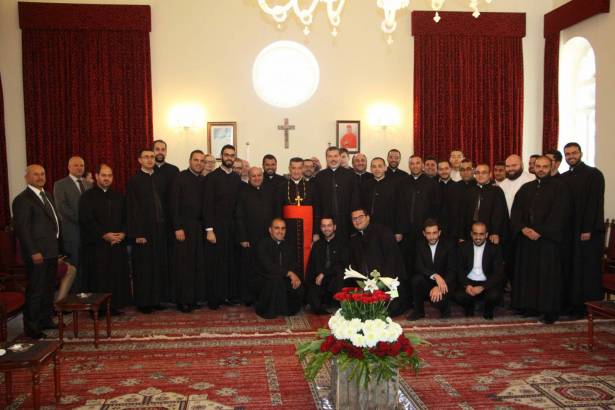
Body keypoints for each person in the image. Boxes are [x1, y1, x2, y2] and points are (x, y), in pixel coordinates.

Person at [511, 156, 569, 324]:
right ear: (534, 168)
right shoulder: (526, 188)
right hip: (526, 240)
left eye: (545, 166)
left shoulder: (560, 188)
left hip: (548, 242)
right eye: (538, 166)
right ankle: (529, 307)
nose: (541, 169)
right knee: (528, 274)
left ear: (551, 167)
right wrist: (523, 228)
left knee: (547, 277)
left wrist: (540, 231)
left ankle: (549, 311)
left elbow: (560, 215)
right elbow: (516, 211)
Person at [12, 164, 61, 339]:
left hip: (51, 251)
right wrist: (33, 251)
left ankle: (45, 319)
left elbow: (53, 222)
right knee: (36, 290)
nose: (40, 177)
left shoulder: (47, 195)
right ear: (27, 177)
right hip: (37, 253)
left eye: (42, 174)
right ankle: (32, 328)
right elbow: (23, 230)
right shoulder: (22, 199)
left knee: (49, 288)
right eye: (36, 174)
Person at [79, 164, 131, 314]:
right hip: (97, 246)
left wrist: (123, 233)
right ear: (97, 176)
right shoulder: (87, 197)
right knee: (99, 277)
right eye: (103, 175)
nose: (107, 178)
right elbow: (86, 220)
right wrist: (104, 235)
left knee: (116, 275)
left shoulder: (119, 196)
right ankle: (99, 309)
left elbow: (127, 218)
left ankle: (115, 305)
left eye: (109, 175)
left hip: (117, 244)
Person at [561, 142, 605, 317]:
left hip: (588, 232)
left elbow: (594, 204)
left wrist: (587, 229)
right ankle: (571, 304)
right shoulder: (564, 177)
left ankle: (588, 307)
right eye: (567, 154)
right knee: (571, 268)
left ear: (581, 153)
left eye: (574, 153)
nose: (571, 156)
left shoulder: (594, 174)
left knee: (586, 270)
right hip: (569, 232)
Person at [126, 149, 168, 314]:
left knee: (158, 265)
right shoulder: (134, 181)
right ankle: (143, 302)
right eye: (146, 157)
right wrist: (137, 234)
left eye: (152, 157)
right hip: (143, 231)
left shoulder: (160, 178)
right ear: (139, 160)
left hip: (160, 229)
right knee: (144, 267)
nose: (150, 160)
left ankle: (156, 300)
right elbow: (131, 208)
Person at [204, 144, 243, 309]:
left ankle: (228, 295)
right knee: (216, 264)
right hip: (216, 227)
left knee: (230, 262)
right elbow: (207, 205)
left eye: (232, 155)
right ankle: (214, 298)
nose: (229, 158)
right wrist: (209, 230)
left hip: (232, 227)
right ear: (221, 156)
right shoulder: (212, 177)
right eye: (226, 155)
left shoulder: (236, 178)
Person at [349, 209, 408, 317]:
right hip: (369, 285)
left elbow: (392, 259)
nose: (357, 220)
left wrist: (382, 283)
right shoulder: (354, 238)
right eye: (354, 219)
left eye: (360, 217)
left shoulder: (383, 232)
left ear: (368, 217)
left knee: (386, 310)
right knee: (361, 310)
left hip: (389, 281)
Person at [169, 150, 207, 313]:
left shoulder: (204, 180)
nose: (199, 163)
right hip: (184, 227)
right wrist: (177, 227)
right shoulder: (180, 177)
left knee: (197, 264)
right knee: (184, 265)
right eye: (196, 160)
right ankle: (183, 300)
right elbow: (173, 204)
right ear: (190, 161)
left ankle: (193, 299)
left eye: (202, 161)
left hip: (199, 228)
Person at [395, 155, 441, 276]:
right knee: (406, 261)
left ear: (422, 166)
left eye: (417, 163)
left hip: (424, 231)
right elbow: (398, 208)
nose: (415, 166)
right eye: (412, 163)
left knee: (423, 260)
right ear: (409, 166)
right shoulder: (402, 183)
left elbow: (436, 208)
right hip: (405, 231)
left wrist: (431, 230)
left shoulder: (432, 184)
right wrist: (398, 230)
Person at [236, 167, 276, 305]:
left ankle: (263, 295)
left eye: (259, 175)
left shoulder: (269, 191)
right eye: (253, 176)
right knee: (250, 268)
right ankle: (248, 297)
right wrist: (243, 237)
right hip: (250, 238)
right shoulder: (243, 193)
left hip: (267, 237)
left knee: (265, 267)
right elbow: (239, 217)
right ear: (249, 177)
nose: (257, 178)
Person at [53, 156, 91, 292]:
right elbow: (62, 208)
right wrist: (83, 221)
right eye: (76, 165)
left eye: (82, 165)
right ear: (69, 167)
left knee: (87, 266)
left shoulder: (89, 184)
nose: (79, 168)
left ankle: (86, 294)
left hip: (88, 234)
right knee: (74, 266)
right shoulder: (60, 184)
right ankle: (73, 297)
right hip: (72, 233)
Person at [253, 218, 303, 319]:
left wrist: (295, 276)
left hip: (284, 278)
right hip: (265, 279)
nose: (280, 231)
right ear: (270, 230)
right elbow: (268, 266)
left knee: (298, 286)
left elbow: (294, 265)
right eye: (277, 228)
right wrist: (289, 273)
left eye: (283, 228)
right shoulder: (263, 244)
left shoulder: (289, 245)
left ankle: (284, 307)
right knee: (276, 280)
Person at [454, 222, 505, 320]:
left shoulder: (495, 248)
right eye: (475, 234)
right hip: (469, 282)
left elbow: (498, 273)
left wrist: (483, 287)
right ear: (471, 234)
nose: (478, 237)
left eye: (481, 234)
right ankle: (469, 306)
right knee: (457, 295)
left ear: (486, 235)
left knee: (495, 295)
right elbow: (459, 269)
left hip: (486, 283)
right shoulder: (463, 247)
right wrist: (467, 285)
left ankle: (488, 308)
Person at [409, 219, 457, 321]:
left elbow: (452, 270)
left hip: (445, 283)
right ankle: (418, 311)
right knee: (416, 279)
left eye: (434, 233)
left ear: (439, 232)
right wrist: (435, 276)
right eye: (428, 233)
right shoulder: (419, 244)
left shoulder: (449, 245)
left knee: (438, 301)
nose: (432, 236)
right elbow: (418, 266)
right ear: (424, 233)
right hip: (429, 280)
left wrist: (439, 286)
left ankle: (445, 309)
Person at [312, 146, 360, 240]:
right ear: (326, 158)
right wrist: (316, 231)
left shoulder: (350, 175)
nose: (333, 159)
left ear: (340, 157)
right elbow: (317, 204)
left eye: (335, 156)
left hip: (347, 223)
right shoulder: (320, 176)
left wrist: (355, 227)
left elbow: (355, 201)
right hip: (326, 224)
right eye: (330, 156)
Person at [275, 157, 314, 275]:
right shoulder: (281, 187)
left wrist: (316, 232)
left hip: (307, 231)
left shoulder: (311, 187)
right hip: (288, 231)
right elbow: (278, 211)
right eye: (293, 168)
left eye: (299, 168)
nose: (296, 171)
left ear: (303, 169)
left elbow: (317, 210)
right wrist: (279, 232)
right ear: (289, 169)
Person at [306, 217, 348, 314]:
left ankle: (338, 304)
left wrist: (324, 273)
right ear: (321, 228)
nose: (326, 228)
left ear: (334, 227)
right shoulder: (317, 245)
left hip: (336, 280)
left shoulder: (343, 243)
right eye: (323, 226)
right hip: (321, 282)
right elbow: (310, 267)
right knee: (315, 306)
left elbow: (342, 264)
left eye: (329, 225)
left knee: (340, 273)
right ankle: (325, 303)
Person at [460, 164, 508, 245]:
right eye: (477, 173)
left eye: (484, 172)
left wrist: (495, 232)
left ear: (490, 174)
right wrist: (462, 235)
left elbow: (499, 214)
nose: (480, 175)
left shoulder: (497, 191)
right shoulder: (469, 190)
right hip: (470, 233)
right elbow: (463, 214)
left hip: (490, 234)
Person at [359, 157, 396, 232]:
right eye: (374, 167)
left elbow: (399, 210)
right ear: (371, 169)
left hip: (388, 226)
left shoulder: (394, 186)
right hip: (368, 226)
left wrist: (398, 231)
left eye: (380, 166)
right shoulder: (365, 185)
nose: (377, 169)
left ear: (385, 168)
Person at [437, 160, 464, 241]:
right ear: (437, 171)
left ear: (450, 169)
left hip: (455, 231)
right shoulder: (433, 187)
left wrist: (461, 234)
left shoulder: (459, 187)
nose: (444, 171)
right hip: (437, 232)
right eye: (441, 169)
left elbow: (462, 212)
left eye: (446, 168)